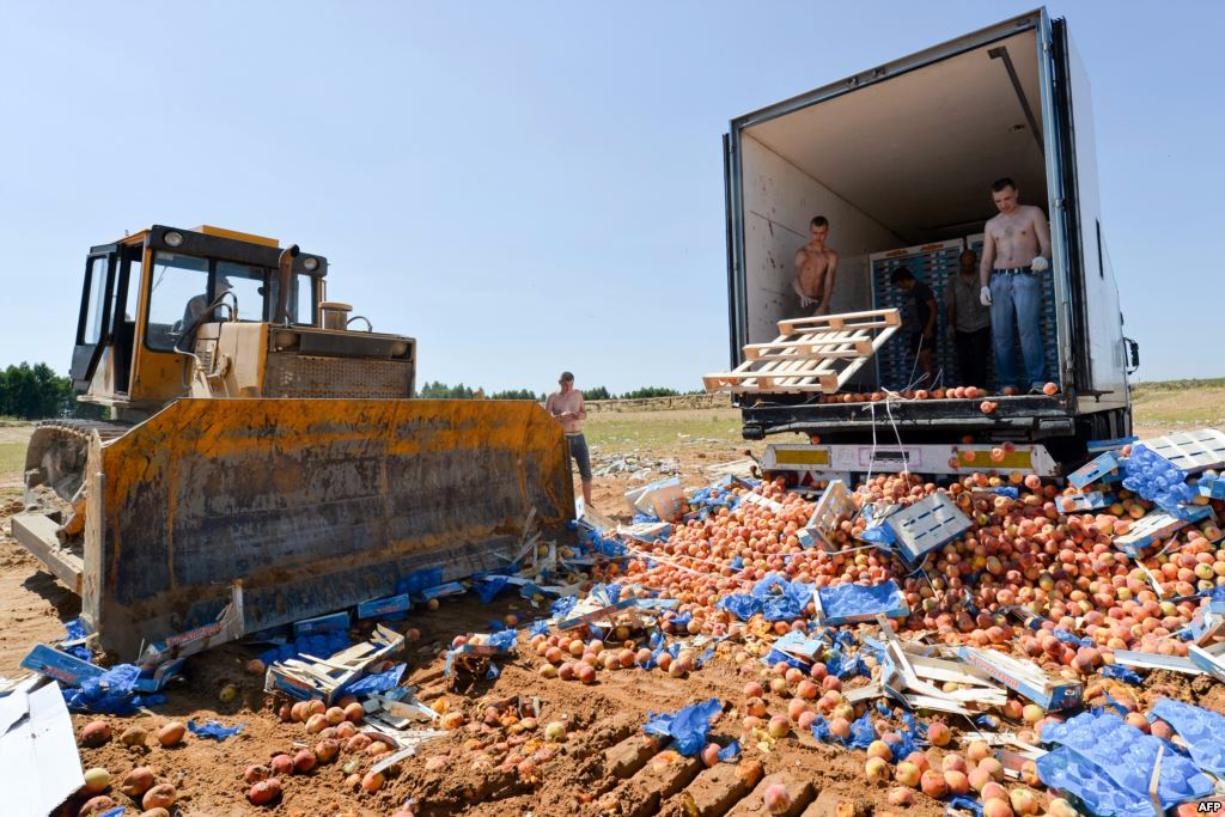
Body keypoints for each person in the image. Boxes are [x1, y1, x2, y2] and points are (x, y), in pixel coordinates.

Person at [979, 177, 1052, 392]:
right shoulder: (992, 224)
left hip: (1025, 276)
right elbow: (986, 259)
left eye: (1007, 198)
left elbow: (1047, 244)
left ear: (1017, 193)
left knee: (1028, 330)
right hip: (999, 279)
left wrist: (1043, 257)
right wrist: (984, 286)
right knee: (1001, 334)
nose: (1004, 204)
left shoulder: (1033, 213)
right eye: (998, 201)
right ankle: (1008, 383)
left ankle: (1037, 382)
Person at [545, 371, 592, 508]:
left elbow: (584, 414)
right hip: (562, 439)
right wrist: (559, 417)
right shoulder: (553, 397)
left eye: (570, 385)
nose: (568, 388)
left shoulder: (577, 394)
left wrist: (577, 415)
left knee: (586, 472)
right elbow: (545, 420)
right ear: (559, 383)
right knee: (564, 475)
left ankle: (588, 504)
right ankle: (565, 506)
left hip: (579, 437)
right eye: (565, 385)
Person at [945, 247, 992, 387]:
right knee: (963, 360)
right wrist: (951, 325)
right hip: (961, 326)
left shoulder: (984, 278)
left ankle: (980, 388)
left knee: (980, 358)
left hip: (982, 323)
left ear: (975, 262)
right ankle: (967, 388)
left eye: (970, 264)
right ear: (960, 264)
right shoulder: (953, 281)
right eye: (964, 264)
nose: (967, 267)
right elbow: (951, 304)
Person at [890, 266, 937, 386]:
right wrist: (899, 326)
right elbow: (912, 317)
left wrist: (929, 328)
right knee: (920, 362)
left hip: (925, 329)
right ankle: (926, 388)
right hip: (915, 331)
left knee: (926, 360)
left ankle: (930, 390)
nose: (899, 287)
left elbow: (933, 308)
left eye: (898, 284)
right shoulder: (910, 294)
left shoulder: (922, 288)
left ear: (903, 280)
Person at [792, 216, 839, 315]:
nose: (818, 237)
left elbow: (830, 281)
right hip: (803, 299)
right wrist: (802, 295)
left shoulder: (831, 255)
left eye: (821, 233)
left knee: (825, 330)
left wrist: (823, 305)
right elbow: (795, 277)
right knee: (799, 330)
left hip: (820, 300)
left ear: (827, 232)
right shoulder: (803, 253)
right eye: (815, 233)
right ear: (810, 231)